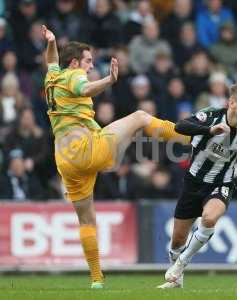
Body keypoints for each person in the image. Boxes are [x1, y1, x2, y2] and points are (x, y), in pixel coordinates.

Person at [42, 25, 190, 289]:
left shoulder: (52, 77)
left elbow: (51, 60)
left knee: (86, 220)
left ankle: (96, 278)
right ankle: (192, 137)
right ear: (75, 62)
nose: (90, 65)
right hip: (86, 151)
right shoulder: (74, 75)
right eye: (87, 60)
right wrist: (109, 81)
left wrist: (51, 42)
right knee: (140, 117)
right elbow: (86, 89)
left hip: (65, 161)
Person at [157, 83, 237, 289]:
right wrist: (209, 130)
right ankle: (177, 281)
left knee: (210, 218)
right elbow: (180, 126)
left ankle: (180, 265)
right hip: (193, 183)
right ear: (231, 103)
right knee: (176, 241)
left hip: (222, 183)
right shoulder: (211, 115)